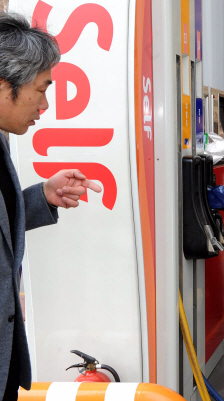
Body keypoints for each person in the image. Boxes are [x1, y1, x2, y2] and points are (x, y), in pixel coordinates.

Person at [0, 13, 102, 401]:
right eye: (40, 89)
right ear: (3, 85)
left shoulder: (2, 139)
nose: (44, 105)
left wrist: (41, 196)